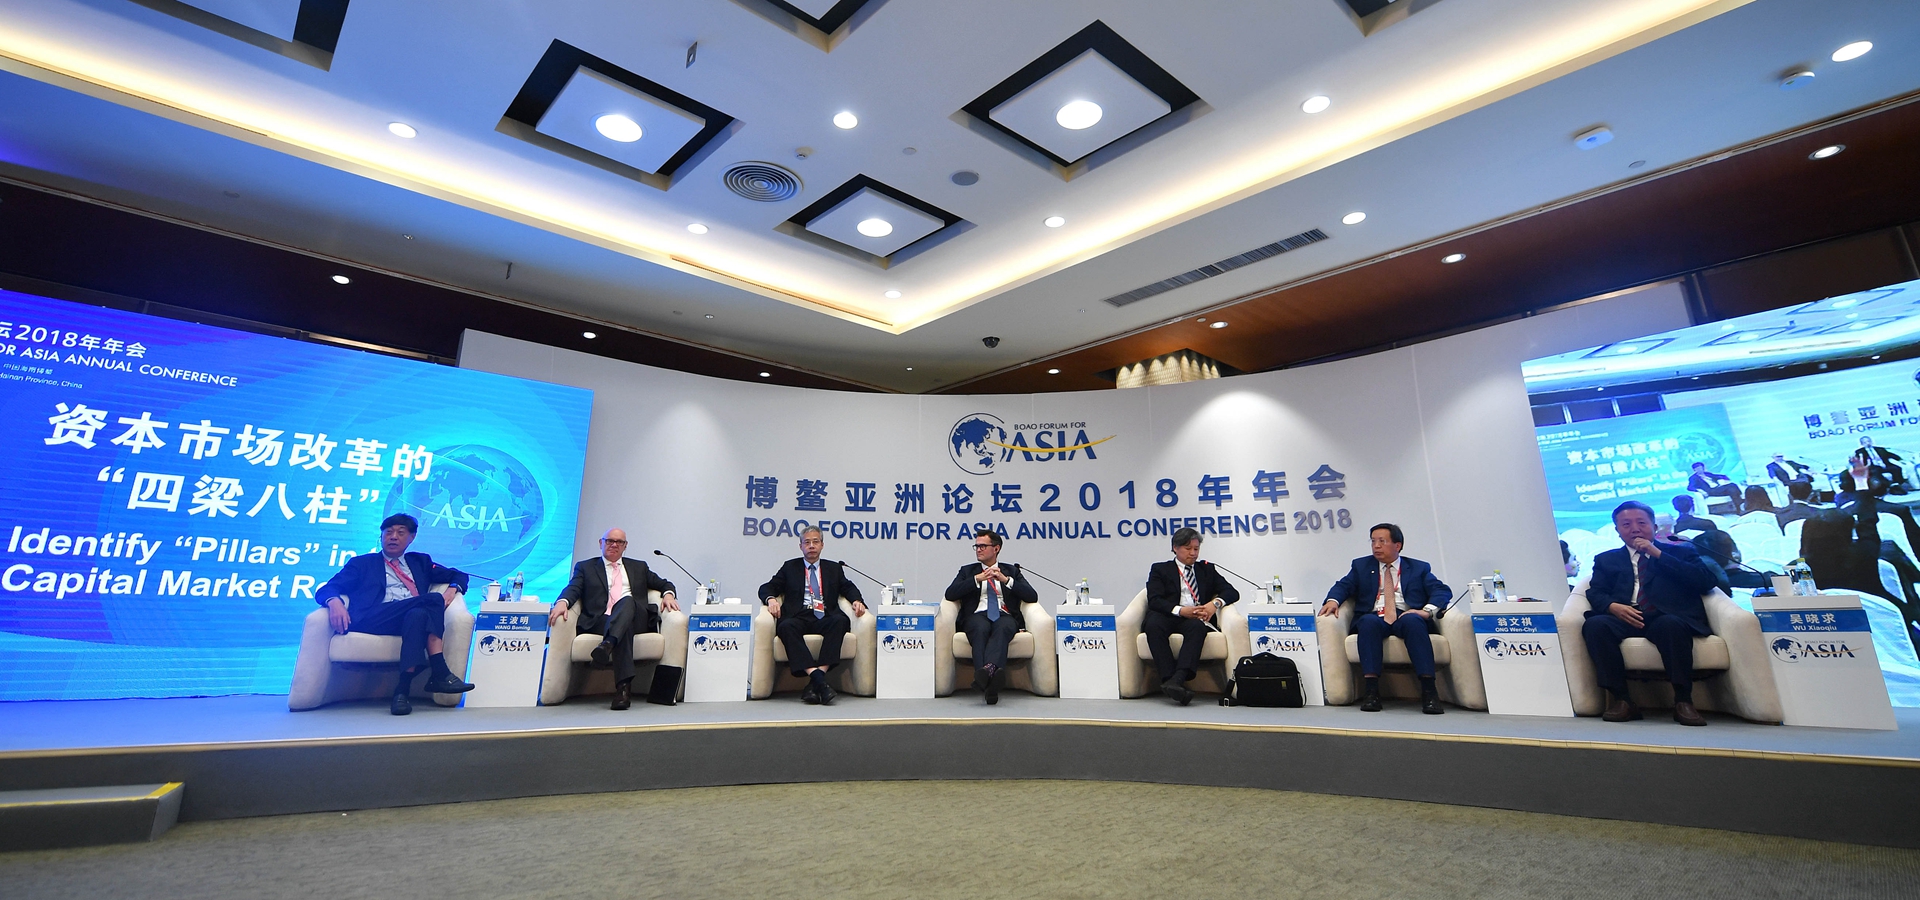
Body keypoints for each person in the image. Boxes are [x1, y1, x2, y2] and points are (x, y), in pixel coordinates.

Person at [315, 513, 474, 716]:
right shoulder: (362, 563)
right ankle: (440, 671)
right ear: (381, 536)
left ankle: (401, 693)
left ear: (411, 538)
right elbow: (328, 588)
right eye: (388, 532)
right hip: (373, 618)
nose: (393, 537)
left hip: (406, 621)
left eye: (400, 533)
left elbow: (459, 575)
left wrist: (452, 589)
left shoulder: (420, 562)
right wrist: (334, 602)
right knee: (433, 600)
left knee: (418, 616)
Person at [1580, 501, 1718, 727]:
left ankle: (1683, 701)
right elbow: (1596, 592)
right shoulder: (1606, 560)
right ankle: (1622, 700)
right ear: (1617, 530)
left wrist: (1657, 554)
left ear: (1654, 527)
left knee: (1672, 625)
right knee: (1596, 626)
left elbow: (1706, 581)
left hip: (1664, 616)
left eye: (1641, 523)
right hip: (1625, 616)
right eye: (1626, 524)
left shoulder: (1681, 551)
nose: (1635, 529)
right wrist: (1613, 606)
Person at [1320, 523, 1452, 714]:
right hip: (1375, 615)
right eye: (1373, 541)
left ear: (1397, 545)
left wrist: (1426, 611)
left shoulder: (1418, 568)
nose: (1376, 546)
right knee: (1367, 622)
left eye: (1382, 541)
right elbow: (1343, 586)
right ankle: (1371, 692)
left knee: (1414, 621)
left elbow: (1441, 590)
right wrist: (1333, 600)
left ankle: (1429, 692)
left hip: (1405, 614)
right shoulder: (1361, 566)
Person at [548, 528, 678, 710]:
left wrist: (668, 595)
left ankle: (607, 645)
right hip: (601, 620)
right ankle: (623, 688)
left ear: (625, 546)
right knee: (624, 627)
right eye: (610, 541)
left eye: (619, 542)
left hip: (637, 618)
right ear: (601, 543)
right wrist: (562, 602)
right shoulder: (585, 567)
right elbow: (573, 588)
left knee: (627, 602)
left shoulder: (639, 567)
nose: (614, 545)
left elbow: (665, 584)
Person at [760, 526, 866, 705]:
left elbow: (848, 587)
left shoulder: (833, 568)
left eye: (815, 541)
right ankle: (818, 679)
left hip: (824, 614)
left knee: (840, 621)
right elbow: (768, 587)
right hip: (798, 615)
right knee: (785, 626)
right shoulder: (789, 567)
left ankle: (816, 679)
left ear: (822, 545)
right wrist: (770, 599)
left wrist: (857, 600)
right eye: (807, 542)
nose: (811, 546)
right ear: (800, 546)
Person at [1142, 527, 1240, 705]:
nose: (1193, 553)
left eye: (1196, 549)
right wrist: (1180, 610)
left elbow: (1232, 592)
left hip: (1194, 618)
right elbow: (1155, 600)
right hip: (1168, 615)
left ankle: (1177, 679)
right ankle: (1169, 678)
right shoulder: (1160, 569)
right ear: (1175, 548)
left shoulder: (1206, 569)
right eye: (1188, 549)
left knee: (1197, 628)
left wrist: (1214, 604)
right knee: (1153, 625)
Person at [943, 529, 1038, 704]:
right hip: (976, 615)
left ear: (996, 548)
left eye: (983, 546)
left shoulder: (1011, 571)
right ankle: (991, 677)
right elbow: (950, 594)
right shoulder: (967, 571)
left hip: (1004, 615)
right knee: (980, 628)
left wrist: (1006, 580)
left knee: (1003, 627)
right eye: (976, 546)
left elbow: (1032, 596)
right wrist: (977, 579)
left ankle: (984, 677)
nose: (978, 549)